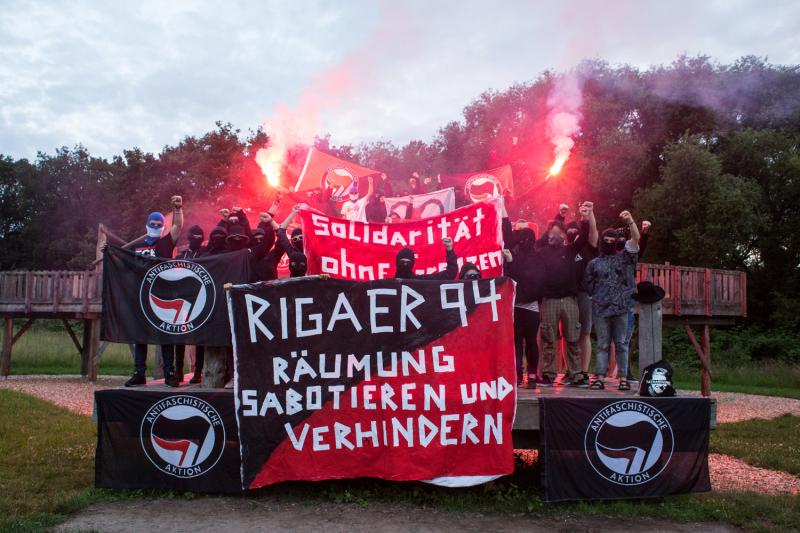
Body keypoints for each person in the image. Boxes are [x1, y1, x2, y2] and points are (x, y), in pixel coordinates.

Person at [125, 195, 184, 388]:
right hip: (141, 296)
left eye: (159, 223)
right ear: (147, 224)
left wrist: (178, 209)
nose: (156, 225)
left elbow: (177, 227)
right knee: (140, 335)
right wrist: (108, 251)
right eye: (153, 223)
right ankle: (138, 373)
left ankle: (169, 373)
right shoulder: (136, 246)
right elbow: (123, 262)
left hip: (162, 295)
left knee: (165, 335)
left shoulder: (166, 242)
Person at [584, 211, 640, 391]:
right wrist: (597, 296)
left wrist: (630, 220)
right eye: (606, 239)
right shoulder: (594, 263)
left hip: (621, 308)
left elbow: (636, 239)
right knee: (602, 344)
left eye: (612, 240)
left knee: (622, 344)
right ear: (602, 240)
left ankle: (623, 378)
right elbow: (588, 282)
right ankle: (599, 377)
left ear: (617, 242)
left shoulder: (626, 257)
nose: (609, 242)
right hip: (600, 309)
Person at [537, 202, 591, 387]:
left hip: (569, 300)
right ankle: (548, 374)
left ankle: (575, 374)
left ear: (565, 235)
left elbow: (583, 238)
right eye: (552, 232)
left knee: (573, 338)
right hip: (549, 301)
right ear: (548, 234)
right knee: (549, 339)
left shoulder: (569, 250)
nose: (556, 235)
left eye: (559, 232)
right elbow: (538, 242)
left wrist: (585, 219)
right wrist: (558, 217)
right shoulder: (541, 252)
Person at [173, 224, 205, 383]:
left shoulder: (206, 254)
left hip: (201, 301)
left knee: (200, 338)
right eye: (194, 237)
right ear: (189, 238)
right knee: (180, 336)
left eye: (199, 238)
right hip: (183, 301)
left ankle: (198, 371)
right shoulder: (182, 256)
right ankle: (178, 370)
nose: (196, 240)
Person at [393, 237, 457, 280]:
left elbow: (450, 274)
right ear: (397, 263)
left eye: (408, 263)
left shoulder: (421, 281)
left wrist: (449, 250)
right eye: (402, 262)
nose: (405, 265)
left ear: (412, 264)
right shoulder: (388, 284)